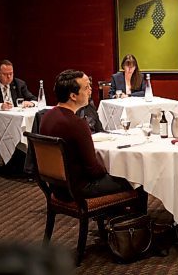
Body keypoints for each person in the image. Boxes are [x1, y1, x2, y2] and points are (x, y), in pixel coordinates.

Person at [40, 69, 133, 200]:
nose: (90, 91)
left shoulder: (46, 116)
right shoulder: (76, 124)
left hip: (57, 186)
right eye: (86, 88)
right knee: (135, 178)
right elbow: (93, 170)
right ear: (73, 96)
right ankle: (132, 217)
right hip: (80, 188)